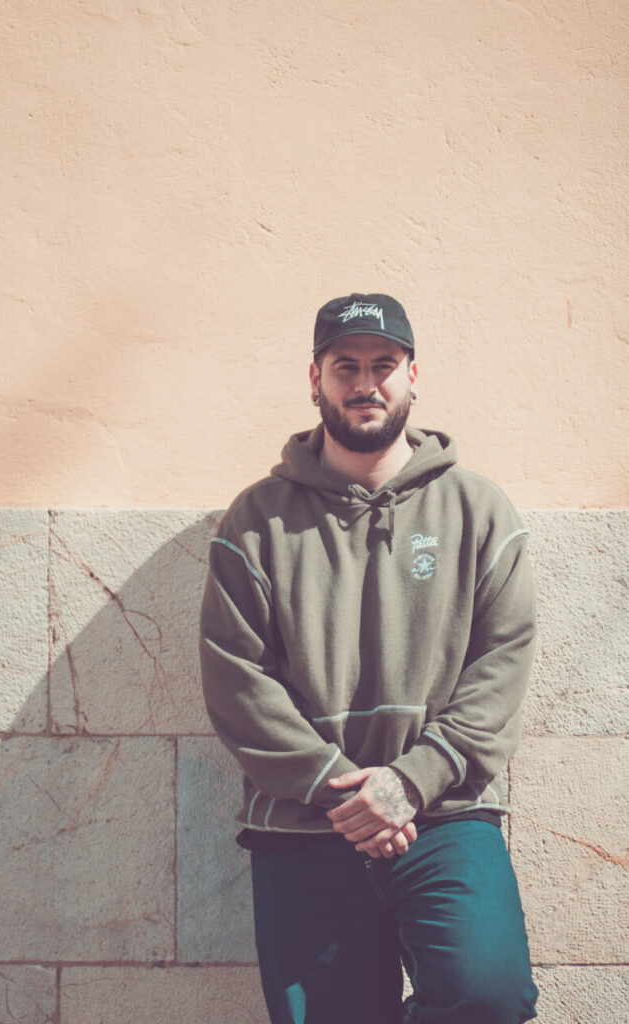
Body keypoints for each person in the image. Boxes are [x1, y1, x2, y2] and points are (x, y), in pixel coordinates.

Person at [199, 292, 539, 1024]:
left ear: (413, 374)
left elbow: (501, 666)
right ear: (314, 379)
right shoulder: (255, 522)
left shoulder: (480, 512)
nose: (365, 383)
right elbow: (236, 680)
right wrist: (343, 791)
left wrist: (411, 782)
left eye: (382, 364)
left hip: (445, 815)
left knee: (489, 997)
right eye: (344, 366)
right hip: (303, 824)